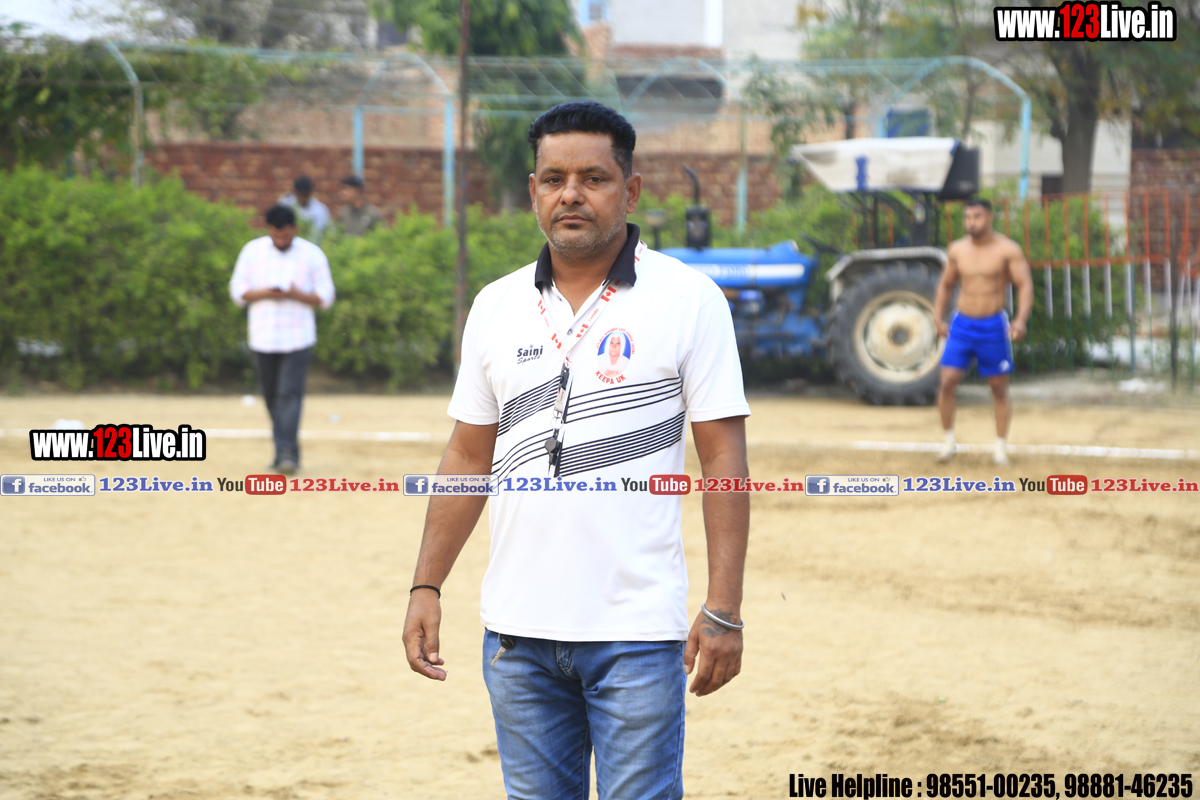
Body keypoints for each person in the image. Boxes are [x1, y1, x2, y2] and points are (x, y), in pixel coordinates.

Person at [402, 100, 751, 800]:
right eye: (554, 178)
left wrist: (723, 609)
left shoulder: (689, 300)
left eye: (593, 178)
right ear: (532, 190)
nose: (571, 194)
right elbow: (468, 456)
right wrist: (425, 585)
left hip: (636, 634)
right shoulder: (496, 306)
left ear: (631, 189)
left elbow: (723, 461)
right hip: (516, 638)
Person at [229, 204, 335, 474]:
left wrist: (297, 294)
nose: (281, 241)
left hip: (298, 337)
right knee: (272, 398)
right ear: (268, 230)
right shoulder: (252, 252)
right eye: (276, 236)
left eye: (286, 236)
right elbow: (237, 291)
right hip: (263, 336)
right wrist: (266, 292)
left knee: (288, 395)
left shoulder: (312, 254)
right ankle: (283, 452)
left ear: (295, 229)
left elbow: (326, 297)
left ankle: (287, 453)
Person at [933, 197, 1034, 466]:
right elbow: (946, 284)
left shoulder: (1007, 250)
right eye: (967, 217)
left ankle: (1000, 448)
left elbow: (1024, 284)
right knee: (947, 381)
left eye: (976, 217)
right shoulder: (957, 250)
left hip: (993, 325)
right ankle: (948, 443)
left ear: (989, 217)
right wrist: (937, 317)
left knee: (998, 387)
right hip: (962, 323)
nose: (971, 223)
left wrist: (1020, 320)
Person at [279, 175, 332, 243]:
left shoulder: (321, 210)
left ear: (310, 193)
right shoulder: (287, 205)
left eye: (306, 195)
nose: (303, 199)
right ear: (295, 192)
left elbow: (330, 232)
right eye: (301, 195)